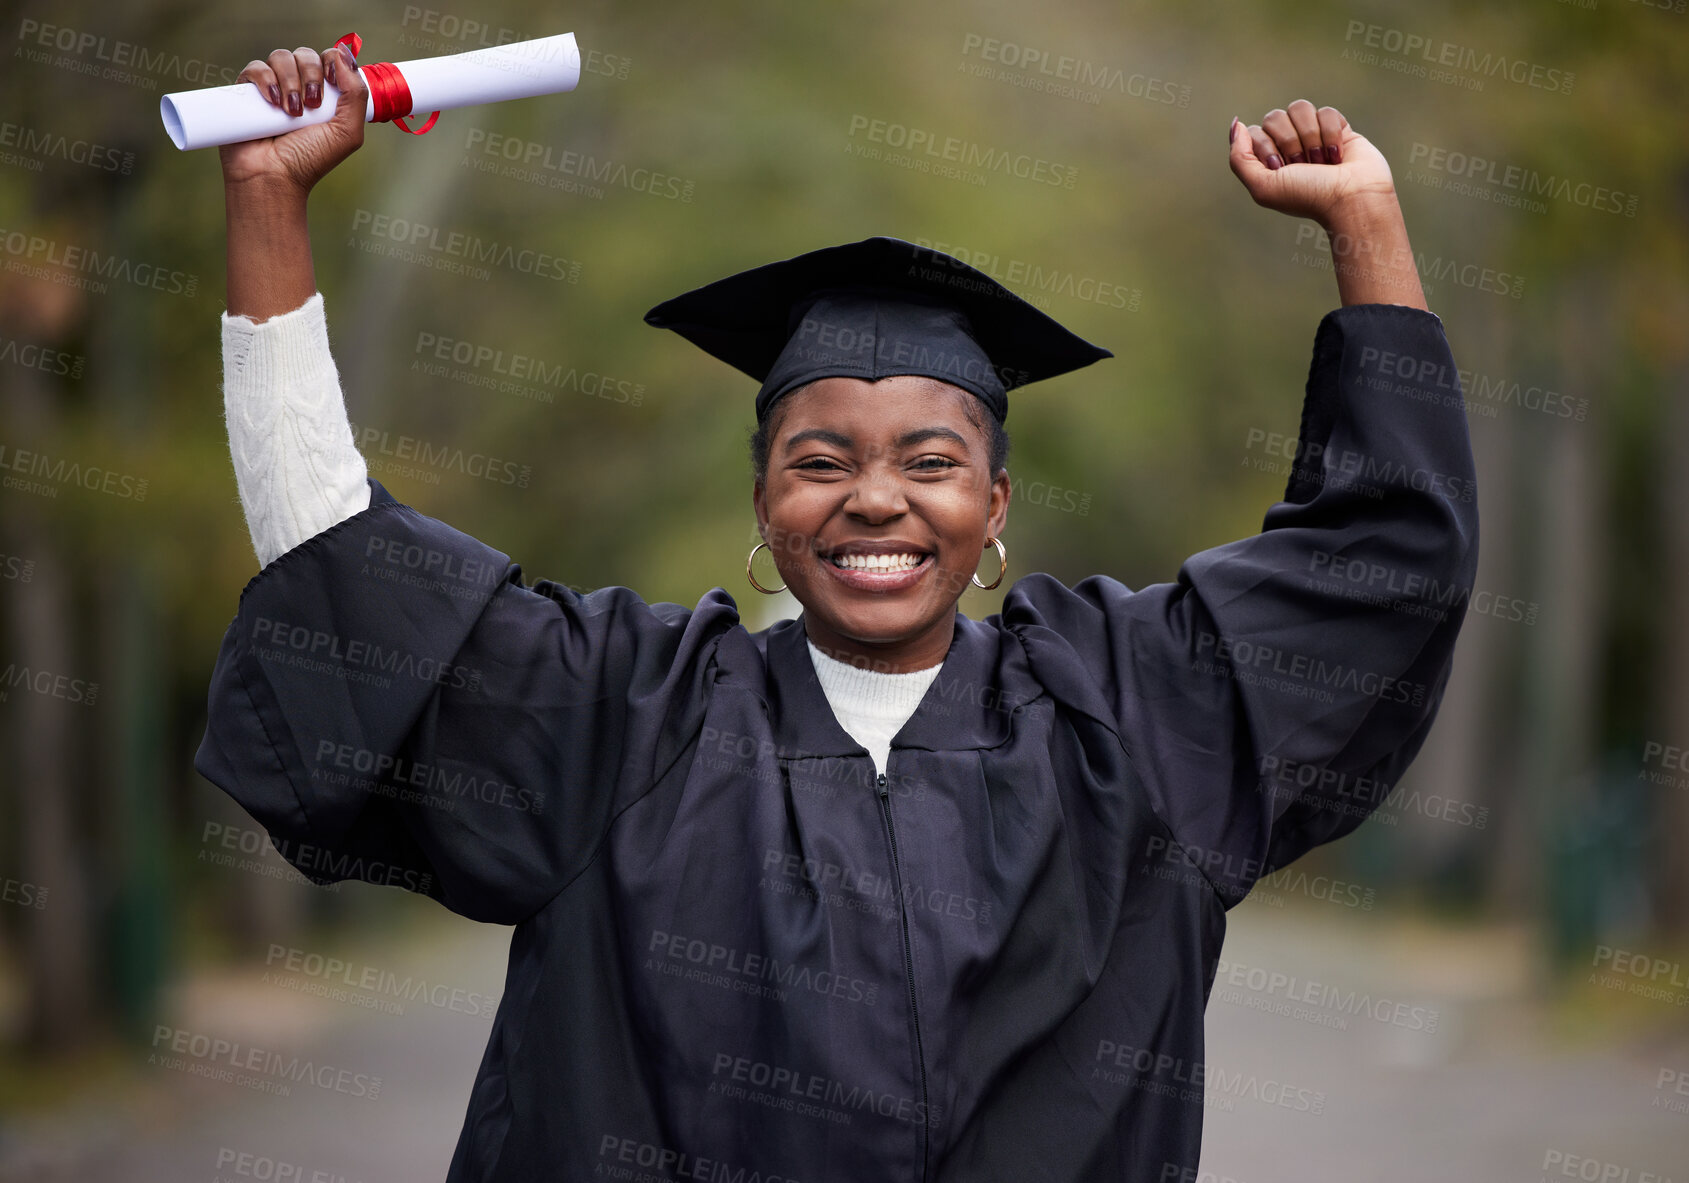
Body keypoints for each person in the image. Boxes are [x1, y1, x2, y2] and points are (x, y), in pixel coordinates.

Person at [196, 43, 1478, 1183]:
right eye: (820, 462)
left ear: (995, 501)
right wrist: (267, 205)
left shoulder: (1129, 720)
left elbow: (1382, 570)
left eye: (929, 462)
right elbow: (348, 582)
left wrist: (1364, 223)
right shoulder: (625, 722)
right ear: (764, 501)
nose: (875, 500)